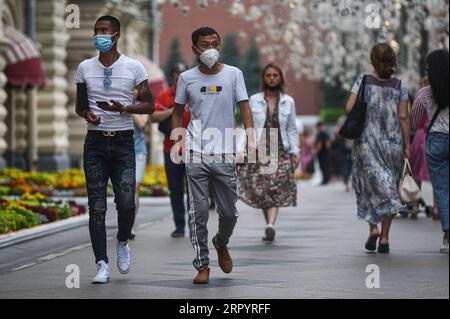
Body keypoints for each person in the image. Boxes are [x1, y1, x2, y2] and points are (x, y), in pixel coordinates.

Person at [171, 27, 255, 284]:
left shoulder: (234, 74)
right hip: (195, 151)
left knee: (229, 212)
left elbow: (245, 108)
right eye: (205, 45)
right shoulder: (186, 78)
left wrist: (250, 139)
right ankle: (202, 265)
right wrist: (178, 140)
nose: (211, 49)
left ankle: (221, 242)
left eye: (215, 44)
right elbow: (176, 111)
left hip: (224, 151)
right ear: (195, 49)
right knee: (198, 212)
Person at [75, 15, 154, 284]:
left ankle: (122, 240)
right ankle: (101, 264)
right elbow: (80, 105)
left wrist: (125, 108)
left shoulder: (134, 68)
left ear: (116, 35)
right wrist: (88, 115)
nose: (99, 35)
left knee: (126, 202)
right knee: (96, 208)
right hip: (95, 143)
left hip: (123, 142)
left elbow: (149, 106)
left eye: (104, 31)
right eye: (96, 30)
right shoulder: (84, 67)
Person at [345, 43, 410, 254]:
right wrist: (407, 145)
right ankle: (385, 237)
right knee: (389, 187)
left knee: (367, 186)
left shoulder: (363, 81)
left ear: (372, 60)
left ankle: (373, 228)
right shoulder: (400, 86)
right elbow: (403, 117)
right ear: (393, 59)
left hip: (366, 143)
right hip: (393, 145)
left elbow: (349, 108)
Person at [237, 63, 299, 242]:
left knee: (276, 187)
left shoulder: (289, 101)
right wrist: (241, 149)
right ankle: (269, 225)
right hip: (260, 148)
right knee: (264, 188)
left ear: (280, 78)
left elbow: (292, 129)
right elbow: (247, 126)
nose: (272, 78)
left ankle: (270, 224)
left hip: (281, 149)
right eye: (268, 75)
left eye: (275, 75)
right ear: (264, 78)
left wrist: (295, 152)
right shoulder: (254, 99)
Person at [410, 49, 449, 254]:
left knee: (442, 189)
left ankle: (448, 236)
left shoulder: (424, 93)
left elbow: (414, 122)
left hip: (435, 141)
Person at [153, 63, 191, 238]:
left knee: (193, 190)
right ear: (172, 76)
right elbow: (154, 116)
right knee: (175, 190)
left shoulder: (194, 94)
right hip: (171, 149)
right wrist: (173, 109)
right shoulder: (164, 95)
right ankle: (179, 226)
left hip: (193, 150)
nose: (179, 77)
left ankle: (194, 225)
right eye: (176, 74)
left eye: (182, 73)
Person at [129, 109, 149, 240]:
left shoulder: (142, 106)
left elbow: (142, 124)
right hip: (120, 153)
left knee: (134, 188)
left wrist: (128, 107)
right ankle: (124, 221)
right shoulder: (115, 100)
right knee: (123, 190)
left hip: (138, 153)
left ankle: (130, 224)